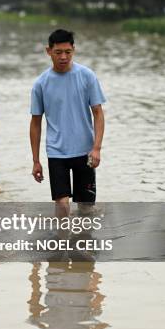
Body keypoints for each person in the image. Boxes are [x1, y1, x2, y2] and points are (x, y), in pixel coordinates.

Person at [30, 29, 106, 217]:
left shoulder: (87, 76)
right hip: (56, 152)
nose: (63, 57)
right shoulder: (41, 83)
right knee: (62, 206)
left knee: (86, 209)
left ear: (74, 50)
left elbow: (98, 113)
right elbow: (35, 123)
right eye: (58, 52)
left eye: (68, 52)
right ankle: (62, 244)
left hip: (85, 152)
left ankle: (82, 243)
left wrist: (96, 148)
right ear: (49, 51)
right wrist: (36, 161)